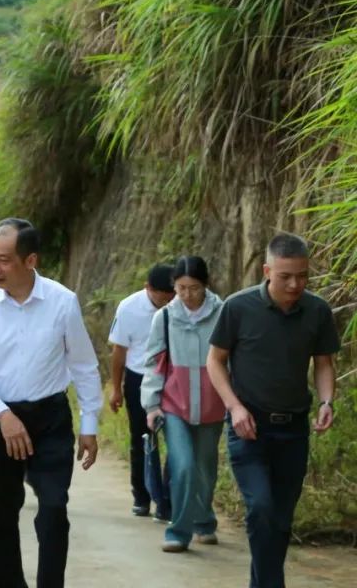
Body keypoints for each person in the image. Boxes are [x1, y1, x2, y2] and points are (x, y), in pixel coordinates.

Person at [0, 218, 102, 588]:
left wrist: (89, 425)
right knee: (3, 512)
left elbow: (83, 365)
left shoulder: (61, 302)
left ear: (30, 260)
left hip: (50, 418)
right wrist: (3, 415)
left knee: (53, 508)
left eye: (4, 260)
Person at [207, 233, 339, 588]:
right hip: (249, 428)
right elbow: (215, 361)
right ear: (267, 271)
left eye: (302, 276)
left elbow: (323, 363)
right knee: (261, 508)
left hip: (293, 430)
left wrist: (326, 401)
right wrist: (234, 407)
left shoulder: (317, 311)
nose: (295, 284)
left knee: (280, 520)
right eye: (285, 276)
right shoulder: (238, 307)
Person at [141, 256, 225, 552]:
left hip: (212, 404)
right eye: (181, 288)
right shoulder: (164, 317)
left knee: (205, 469)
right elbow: (154, 363)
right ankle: (178, 531)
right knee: (184, 465)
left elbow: (233, 358)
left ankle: (204, 520)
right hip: (174, 404)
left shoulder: (223, 313)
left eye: (194, 288)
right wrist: (152, 405)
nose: (187, 295)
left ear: (206, 285)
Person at [108, 264, 176, 518]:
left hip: (173, 378)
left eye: (171, 296)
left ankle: (167, 500)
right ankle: (142, 495)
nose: (167, 301)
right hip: (139, 378)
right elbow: (119, 351)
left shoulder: (181, 306)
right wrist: (116, 388)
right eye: (162, 296)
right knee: (143, 439)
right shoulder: (128, 308)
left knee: (176, 439)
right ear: (148, 288)